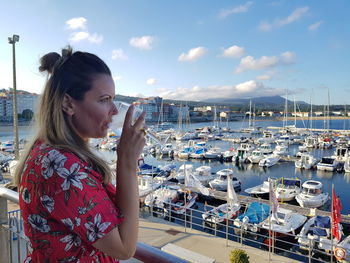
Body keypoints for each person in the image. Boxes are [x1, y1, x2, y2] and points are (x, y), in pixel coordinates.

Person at [14, 46, 146, 262]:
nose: (114, 110)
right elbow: (124, 248)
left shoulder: (46, 151)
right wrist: (127, 161)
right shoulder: (60, 165)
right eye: (104, 100)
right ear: (68, 103)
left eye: (113, 99)